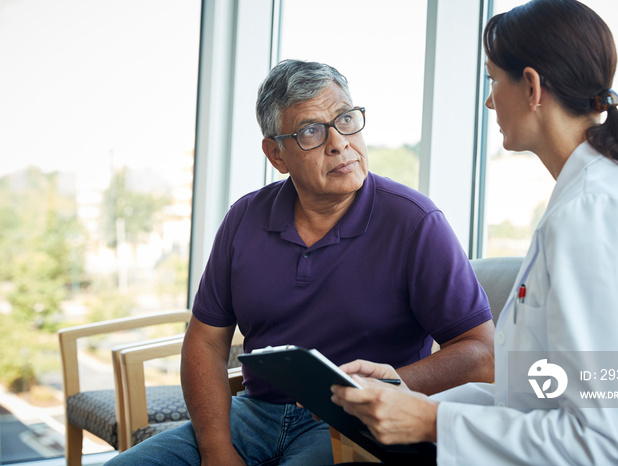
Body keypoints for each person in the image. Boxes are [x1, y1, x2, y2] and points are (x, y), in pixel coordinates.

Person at [330, 1, 618, 464]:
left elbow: (598, 444)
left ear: (531, 86)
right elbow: (535, 398)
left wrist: (430, 421)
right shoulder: (586, 198)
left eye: (492, 80)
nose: (489, 100)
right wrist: (407, 399)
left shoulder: (596, 212)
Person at [106, 59, 494, 466]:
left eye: (345, 118)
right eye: (311, 130)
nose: (339, 142)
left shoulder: (416, 221)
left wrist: (391, 384)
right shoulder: (244, 219)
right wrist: (218, 450)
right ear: (276, 154)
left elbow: (482, 354)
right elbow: (204, 341)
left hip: (353, 423)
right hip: (252, 415)